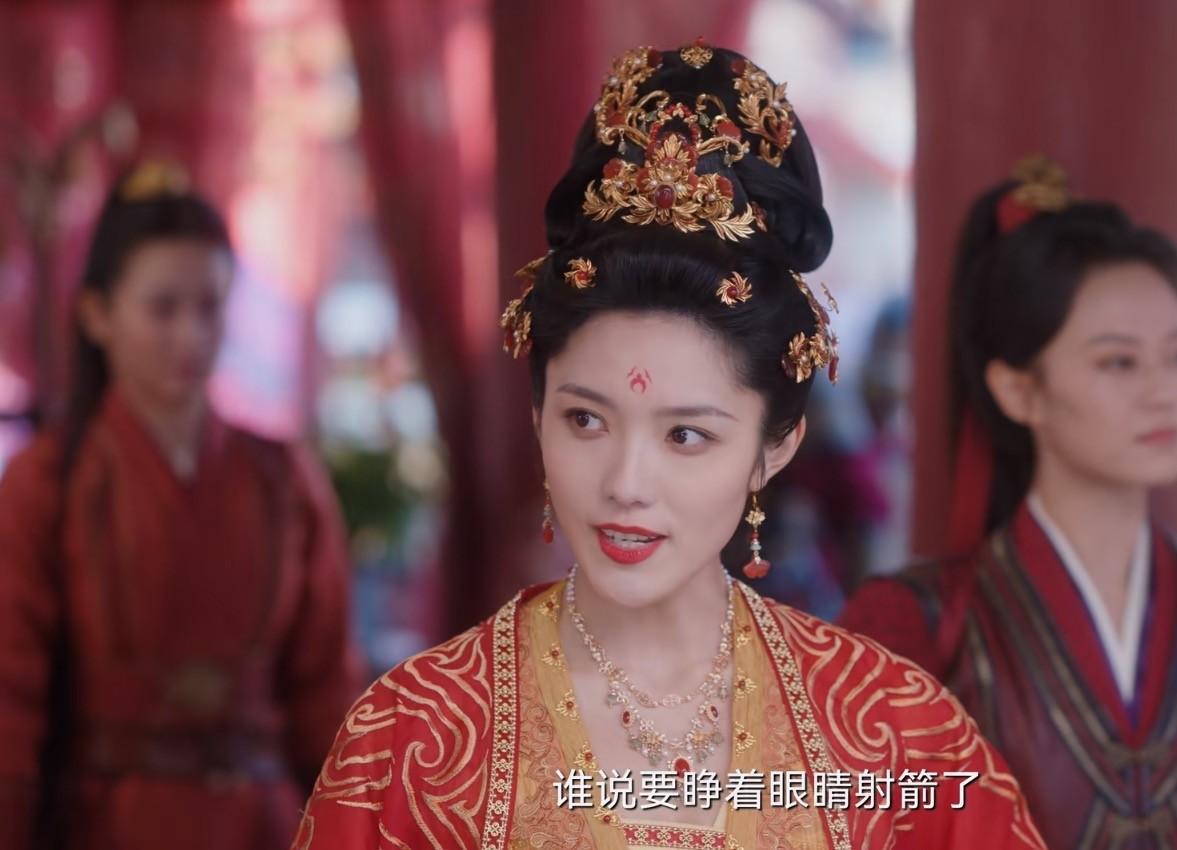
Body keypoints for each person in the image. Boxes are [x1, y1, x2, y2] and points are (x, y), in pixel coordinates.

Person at [293, 44, 1044, 850]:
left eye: (685, 435)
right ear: (537, 415)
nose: (625, 483)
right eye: (586, 421)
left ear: (775, 447)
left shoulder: (895, 736)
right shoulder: (413, 738)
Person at [0, 162, 363, 850]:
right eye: (163, 309)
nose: (192, 335)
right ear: (97, 315)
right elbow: (9, 697)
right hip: (107, 824)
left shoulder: (284, 478)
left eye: (210, 307)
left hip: (262, 823)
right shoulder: (49, 480)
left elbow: (326, 690)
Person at [840, 157, 1177, 848]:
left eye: (1175, 356)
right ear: (1018, 390)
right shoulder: (911, 632)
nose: (1163, 390)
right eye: (1119, 361)